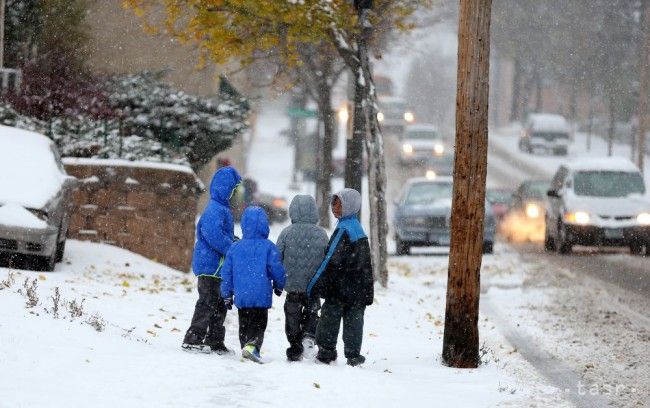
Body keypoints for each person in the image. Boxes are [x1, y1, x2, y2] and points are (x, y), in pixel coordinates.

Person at [307, 188, 374, 366]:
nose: (333, 207)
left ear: (348, 206)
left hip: (339, 289)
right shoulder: (357, 228)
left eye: (337, 203)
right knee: (354, 321)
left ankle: (326, 352)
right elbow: (365, 265)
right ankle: (353, 355)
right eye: (333, 202)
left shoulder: (343, 230)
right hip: (357, 288)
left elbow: (330, 261)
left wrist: (314, 284)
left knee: (329, 318)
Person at [182, 166, 241, 354]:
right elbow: (213, 234)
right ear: (225, 189)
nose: (234, 194)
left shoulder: (223, 209)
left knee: (219, 304)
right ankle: (193, 337)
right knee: (207, 302)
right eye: (233, 190)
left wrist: (234, 241)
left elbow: (222, 234)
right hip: (209, 266)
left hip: (218, 268)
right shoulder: (215, 209)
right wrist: (230, 247)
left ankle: (215, 340)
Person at [220, 206, 286, 363]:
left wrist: (226, 294)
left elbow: (226, 273)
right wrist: (279, 284)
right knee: (259, 323)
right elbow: (276, 268)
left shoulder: (235, 247)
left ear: (244, 225)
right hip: (261, 295)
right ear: (265, 225)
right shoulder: (269, 247)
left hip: (242, 295)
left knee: (244, 322)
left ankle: (246, 345)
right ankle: (252, 346)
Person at [276, 195, 329, 361]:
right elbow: (326, 259)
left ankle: (294, 345)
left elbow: (277, 258)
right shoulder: (321, 234)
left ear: (292, 211)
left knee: (292, 314)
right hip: (314, 285)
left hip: (292, 284)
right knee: (313, 312)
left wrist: (278, 281)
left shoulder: (286, 233)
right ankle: (309, 335)